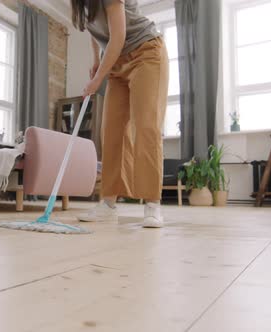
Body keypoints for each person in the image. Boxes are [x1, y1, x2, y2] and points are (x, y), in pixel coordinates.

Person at [72, 0, 169, 228]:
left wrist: (97, 81)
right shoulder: (79, 3)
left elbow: (117, 37)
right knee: (111, 132)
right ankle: (108, 205)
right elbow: (94, 30)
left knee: (146, 127)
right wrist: (96, 61)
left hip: (146, 52)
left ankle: (153, 204)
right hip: (117, 63)